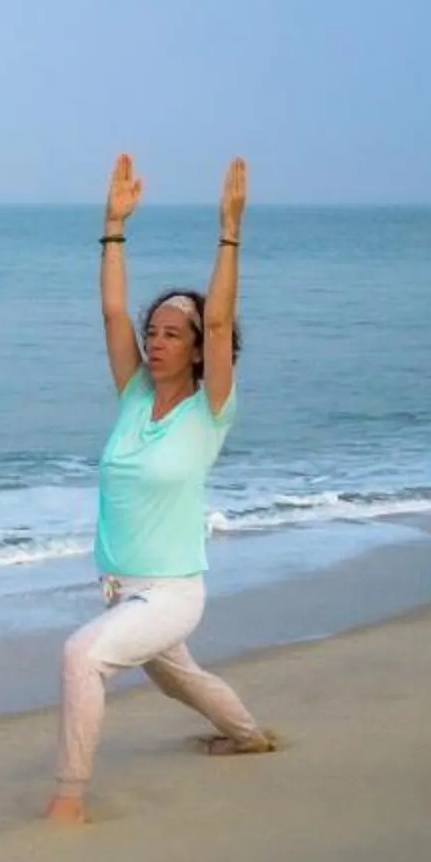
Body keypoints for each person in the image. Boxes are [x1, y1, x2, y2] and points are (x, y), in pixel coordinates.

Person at [45, 153, 277, 825]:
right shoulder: (131, 396)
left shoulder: (211, 410)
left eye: (174, 334)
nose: (156, 341)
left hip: (173, 591)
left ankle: (68, 799)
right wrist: (112, 227)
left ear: (201, 349)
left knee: (81, 655)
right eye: (154, 331)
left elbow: (221, 320)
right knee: (184, 681)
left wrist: (228, 234)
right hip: (121, 585)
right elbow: (113, 310)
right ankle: (249, 737)